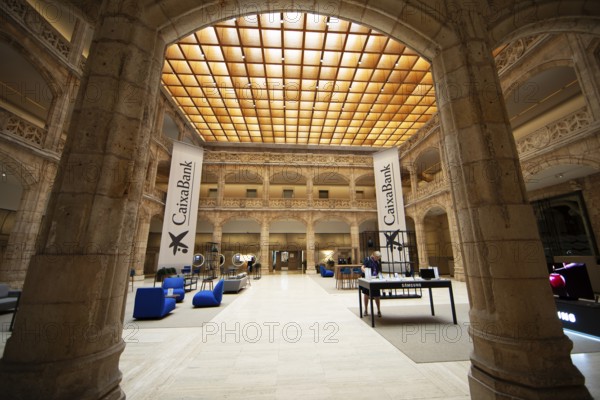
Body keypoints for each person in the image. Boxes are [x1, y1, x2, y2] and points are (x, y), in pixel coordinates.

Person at [361, 251, 382, 317]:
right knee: (366, 294)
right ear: (373, 255)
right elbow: (362, 267)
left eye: (378, 258)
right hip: (368, 279)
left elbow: (378, 270)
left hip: (375, 279)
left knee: (377, 295)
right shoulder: (367, 260)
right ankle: (366, 310)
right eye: (376, 257)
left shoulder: (377, 262)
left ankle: (378, 310)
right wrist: (366, 271)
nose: (377, 259)